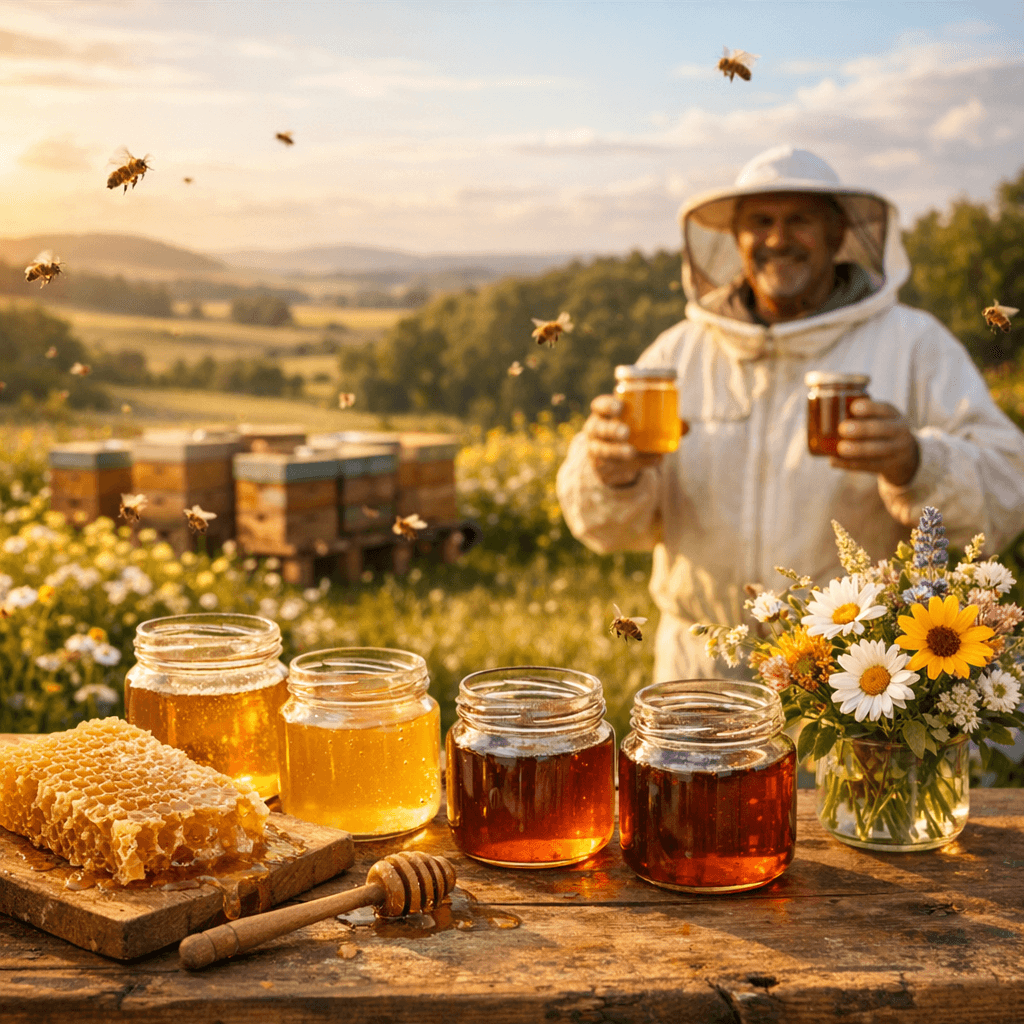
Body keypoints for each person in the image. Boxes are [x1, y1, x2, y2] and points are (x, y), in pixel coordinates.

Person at [556, 145, 1024, 682]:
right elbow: (603, 528)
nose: (778, 238)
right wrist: (611, 474)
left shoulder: (913, 344)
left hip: (856, 682)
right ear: (736, 239)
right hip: (703, 675)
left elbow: (1008, 490)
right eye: (760, 221)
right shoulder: (678, 353)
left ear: (835, 233)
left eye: (799, 219)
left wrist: (918, 462)